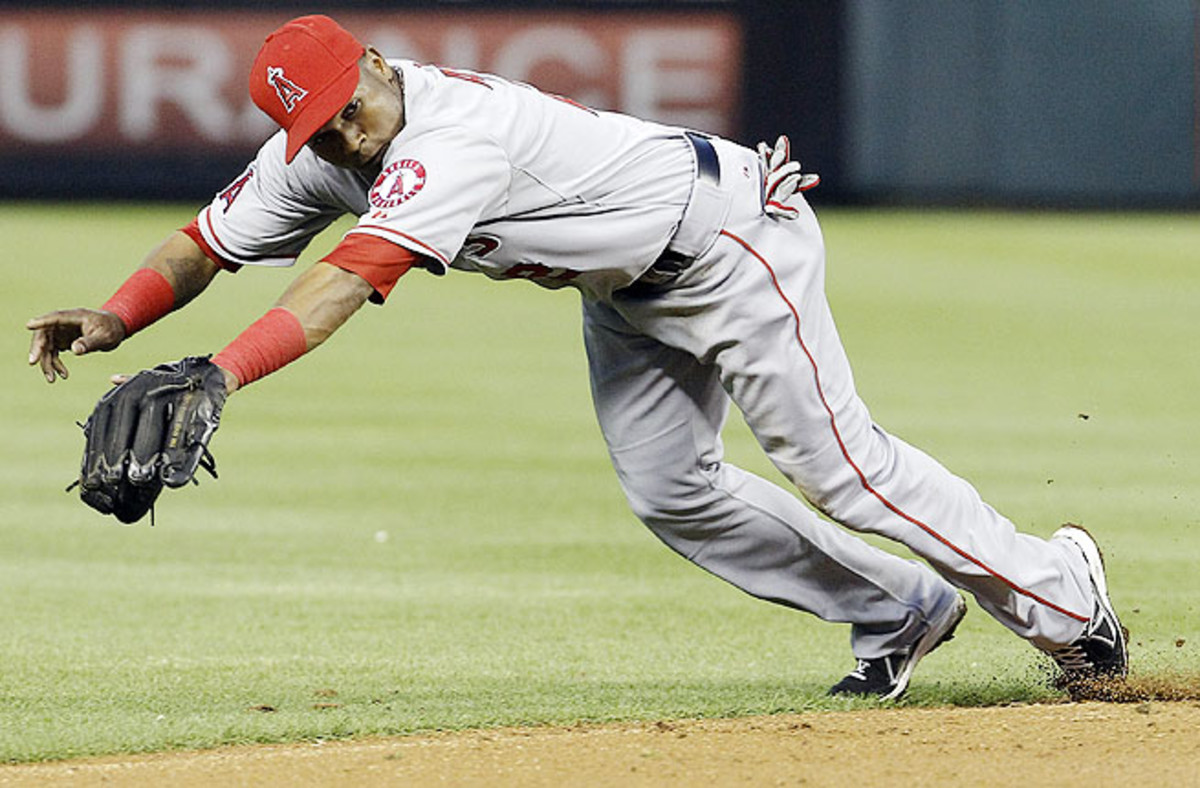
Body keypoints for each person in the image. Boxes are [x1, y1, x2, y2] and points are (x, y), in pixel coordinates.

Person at [27, 15, 1126, 699]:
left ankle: (1064, 594)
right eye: (316, 130)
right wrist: (115, 319)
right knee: (670, 489)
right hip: (626, 288)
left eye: (343, 110)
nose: (338, 137)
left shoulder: (452, 134)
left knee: (842, 468)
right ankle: (899, 609)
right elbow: (205, 244)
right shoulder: (318, 148)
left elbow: (345, 283)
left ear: (372, 63)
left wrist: (220, 373)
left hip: (731, 240)